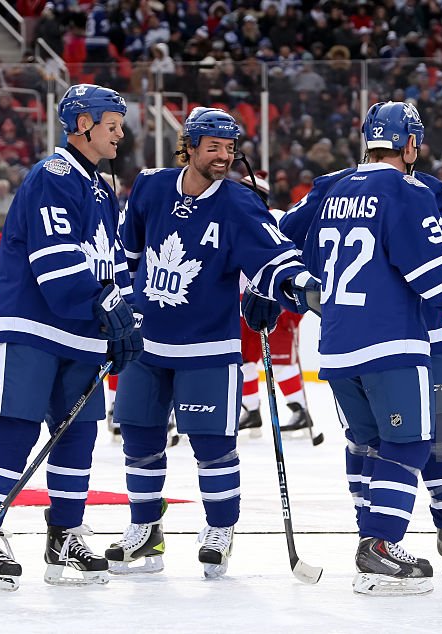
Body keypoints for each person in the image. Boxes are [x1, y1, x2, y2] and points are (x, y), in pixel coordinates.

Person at [293, 101, 442, 595]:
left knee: (382, 438)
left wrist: (288, 287)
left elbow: (281, 242)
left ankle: (408, 531)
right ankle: (380, 542)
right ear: (411, 143)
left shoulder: (329, 187)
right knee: (411, 438)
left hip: (340, 339)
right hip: (399, 338)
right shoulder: (413, 191)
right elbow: (436, 266)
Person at [105, 107, 319, 579]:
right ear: (190, 146)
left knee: (212, 445)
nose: (224, 156)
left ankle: (220, 529)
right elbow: (126, 252)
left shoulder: (241, 203)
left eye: (229, 148)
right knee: (139, 440)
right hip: (147, 343)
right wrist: (124, 307)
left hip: (207, 347)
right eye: (214, 147)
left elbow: (275, 256)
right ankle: (146, 530)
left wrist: (297, 285)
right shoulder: (151, 186)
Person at [0, 84, 142, 592]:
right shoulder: (53, 175)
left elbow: (112, 262)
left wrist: (129, 313)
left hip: (79, 333)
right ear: (83, 123)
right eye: (112, 124)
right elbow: (57, 263)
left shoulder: (102, 187)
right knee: (16, 429)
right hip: (32, 327)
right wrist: (109, 308)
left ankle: (63, 534)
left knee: (77, 436)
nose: (120, 133)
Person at [235, 172, 315, 437]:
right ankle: (251, 409)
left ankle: (299, 409)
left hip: (276, 300)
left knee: (280, 358)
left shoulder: (278, 218)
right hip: (243, 301)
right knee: (243, 359)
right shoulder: (236, 220)